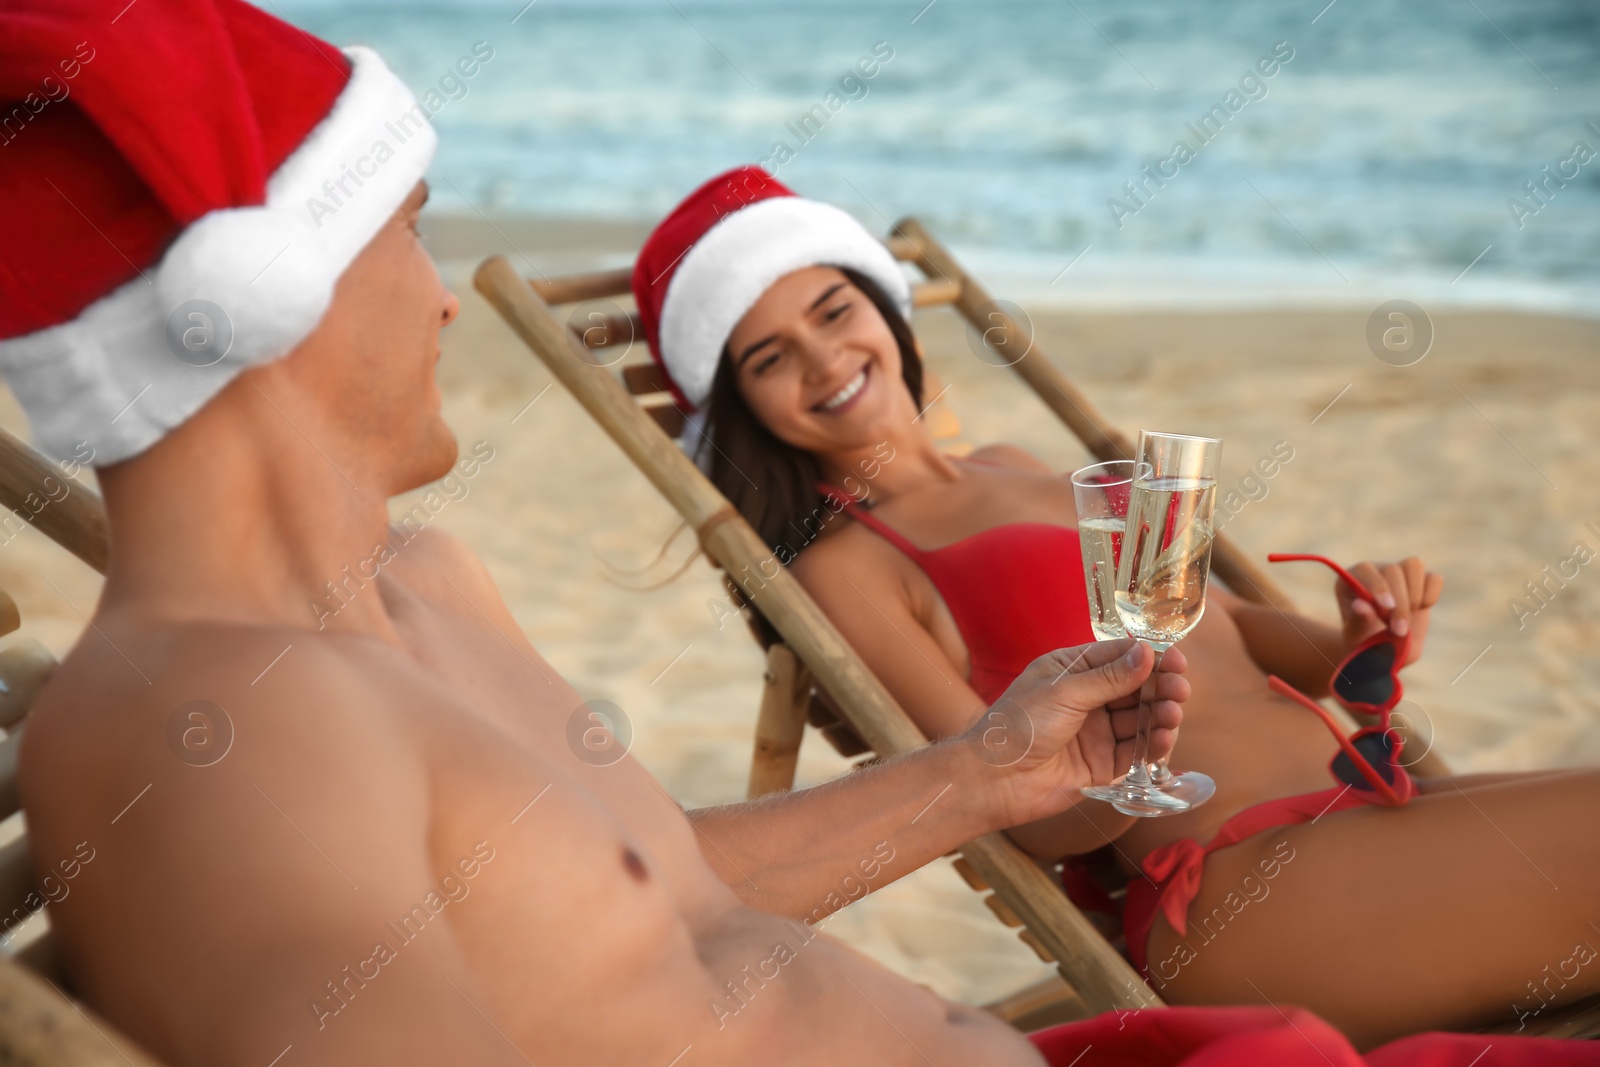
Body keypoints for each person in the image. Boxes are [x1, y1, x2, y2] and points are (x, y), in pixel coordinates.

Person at [627, 165, 1600, 1046]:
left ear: (886, 308)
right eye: (768, 358)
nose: (823, 358)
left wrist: (1349, 637)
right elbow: (1000, 801)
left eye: (836, 310)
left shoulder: (1010, 463)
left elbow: (1231, 634)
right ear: (743, 404)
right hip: (1242, 883)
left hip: (1367, 816)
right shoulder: (846, 564)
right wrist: (1117, 764)